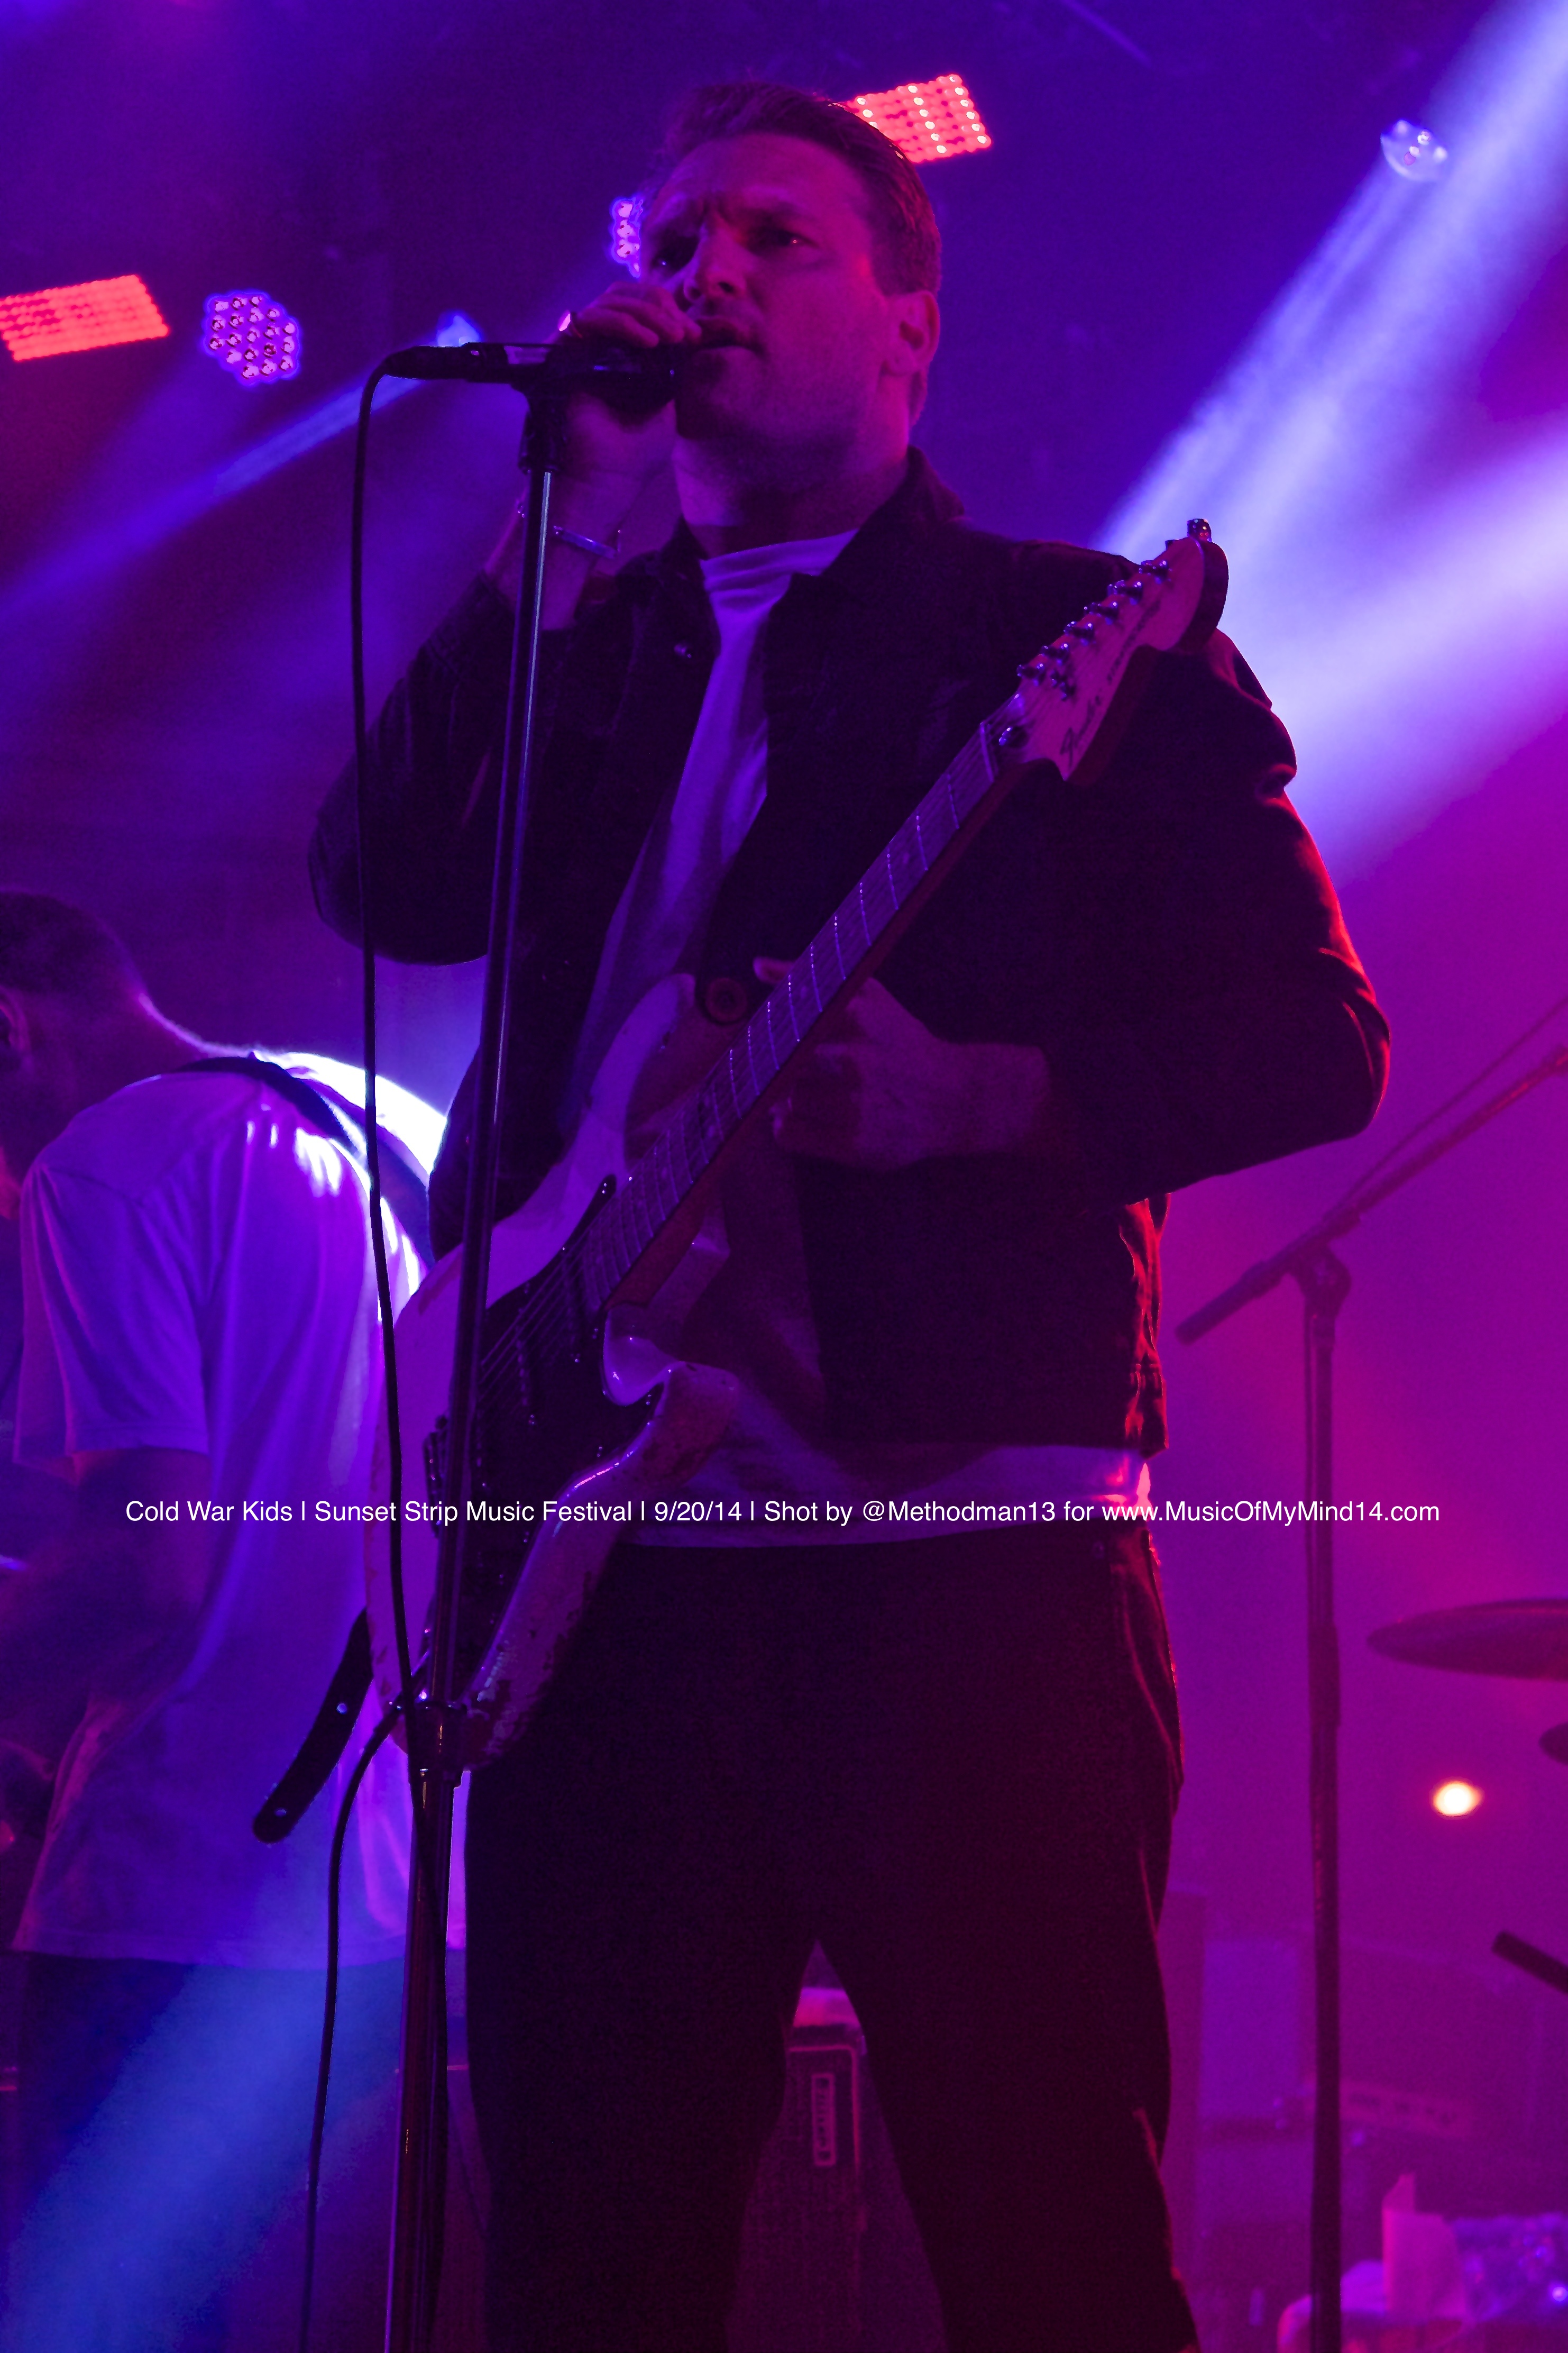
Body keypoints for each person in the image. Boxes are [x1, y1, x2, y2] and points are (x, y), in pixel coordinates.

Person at [310, 80, 1390, 2353]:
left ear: (912, 324)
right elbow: (383, 883)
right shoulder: (595, 639)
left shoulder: (1067, 637)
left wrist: (995, 1095)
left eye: (775, 237)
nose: (706, 275)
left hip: (955, 1558)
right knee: (585, 2260)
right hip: (599, 1561)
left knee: (1043, 2241)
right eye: (674, 239)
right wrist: (550, 535)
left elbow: (1317, 1041)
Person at [0, 892, 418, 2352]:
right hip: (386, 1916)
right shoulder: (383, 1121)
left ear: (8, 1031)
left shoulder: (102, 1167)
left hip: (167, 1905)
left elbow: (147, 1571)